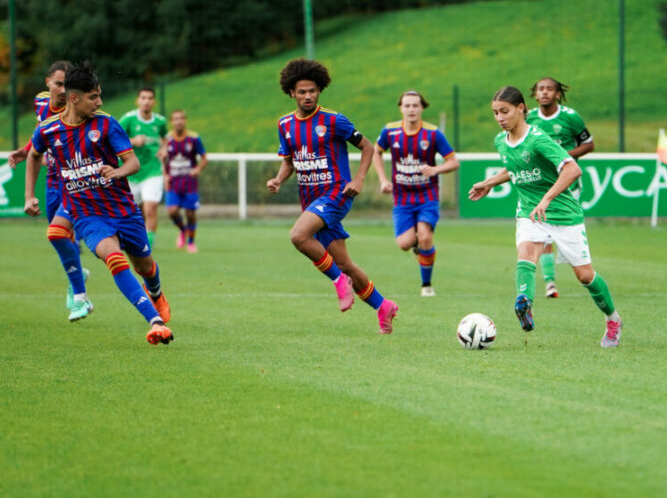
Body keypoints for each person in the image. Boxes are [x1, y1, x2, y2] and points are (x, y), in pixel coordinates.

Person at [25, 62, 173, 345]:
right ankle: (153, 321)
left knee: (145, 266)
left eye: (99, 95)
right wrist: (28, 195)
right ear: (74, 98)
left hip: (122, 210)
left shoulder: (106, 124)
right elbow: (33, 155)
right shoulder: (49, 129)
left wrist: (117, 171)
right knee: (113, 258)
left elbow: (133, 161)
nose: (100, 101)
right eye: (93, 96)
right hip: (87, 214)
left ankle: (155, 292)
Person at [468, 86, 621, 348]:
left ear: (521, 109)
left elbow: (572, 170)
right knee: (526, 254)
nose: (500, 118)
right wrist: (490, 182)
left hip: (562, 211)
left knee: (585, 276)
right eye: (495, 113)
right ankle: (524, 302)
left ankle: (613, 320)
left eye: (505, 111)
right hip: (529, 211)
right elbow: (515, 168)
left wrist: (547, 198)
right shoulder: (500, 141)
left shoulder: (538, 139)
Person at [265, 58, 399, 334]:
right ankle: (383, 306)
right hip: (312, 202)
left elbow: (368, 147)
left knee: (298, 237)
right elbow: (289, 161)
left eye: (312, 90)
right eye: (302, 91)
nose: (308, 96)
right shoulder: (285, 125)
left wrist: (359, 179)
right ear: (291, 92)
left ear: (319, 90)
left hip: (336, 193)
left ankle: (339, 282)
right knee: (344, 263)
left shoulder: (334, 120)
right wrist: (278, 179)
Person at [8, 61, 91, 321]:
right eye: (59, 84)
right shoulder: (41, 104)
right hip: (53, 180)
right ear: (48, 83)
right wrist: (26, 150)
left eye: (68, 85)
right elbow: (41, 132)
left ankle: (80, 298)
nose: (64, 90)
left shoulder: (80, 110)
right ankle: (77, 274)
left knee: (57, 233)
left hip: (76, 180)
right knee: (59, 237)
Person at [372, 90, 459, 296]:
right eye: (407, 105)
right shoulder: (390, 131)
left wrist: (436, 169)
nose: (411, 109)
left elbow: (454, 161)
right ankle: (419, 249)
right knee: (404, 243)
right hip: (402, 198)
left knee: (425, 236)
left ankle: (426, 286)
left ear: (422, 108)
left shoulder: (433, 133)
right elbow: (376, 152)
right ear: (401, 108)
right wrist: (383, 180)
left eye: (415, 105)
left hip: (427, 195)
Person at [526, 77, 594, 299]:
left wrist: (564, 156)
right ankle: (550, 283)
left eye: (549, 89)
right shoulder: (530, 118)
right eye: (540, 89)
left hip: (568, 184)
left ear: (558, 94)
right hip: (541, 185)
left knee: (563, 236)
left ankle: (585, 272)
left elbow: (589, 144)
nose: (544, 92)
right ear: (535, 94)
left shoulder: (570, 117)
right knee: (543, 232)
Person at [119, 88, 168, 247]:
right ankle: (134, 239)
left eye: (150, 98)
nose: (146, 101)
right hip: (132, 172)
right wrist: (133, 141)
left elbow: (165, 140)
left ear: (154, 101)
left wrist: (164, 150)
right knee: (135, 212)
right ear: (138, 100)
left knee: (150, 207)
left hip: (153, 171)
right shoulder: (128, 119)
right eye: (143, 98)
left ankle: (148, 246)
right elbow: (113, 138)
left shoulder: (160, 121)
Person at [163, 109, 207, 253]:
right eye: (176, 119)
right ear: (172, 122)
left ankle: (191, 242)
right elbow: (163, 158)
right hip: (173, 182)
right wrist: (165, 175)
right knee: (172, 211)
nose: (179, 121)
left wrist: (198, 169)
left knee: (190, 213)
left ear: (185, 120)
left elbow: (205, 157)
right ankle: (183, 230)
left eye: (181, 118)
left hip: (190, 182)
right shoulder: (167, 139)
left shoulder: (194, 138)